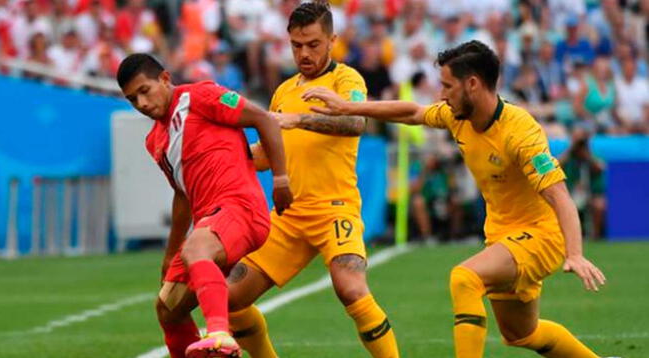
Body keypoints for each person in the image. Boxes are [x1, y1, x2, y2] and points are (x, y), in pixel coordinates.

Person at [300, 40, 609, 358]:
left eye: (447, 85)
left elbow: (559, 195)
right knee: (521, 333)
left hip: (543, 236)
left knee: (465, 279)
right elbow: (413, 112)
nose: (442, 94)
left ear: (472, 84)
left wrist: (576, 253)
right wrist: (349, 107)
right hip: (503, 234)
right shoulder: (456, 115)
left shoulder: (521, 133)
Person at [225, 2, 400, 358]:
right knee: (228, 300)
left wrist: (300, 120)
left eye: (313, 44)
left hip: (334, 209)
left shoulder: (346, 79)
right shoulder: (283, 91)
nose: (304, 53)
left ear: (332, 40)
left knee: (350, 288)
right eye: (296, 45)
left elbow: (356, 124)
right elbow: (269, 151)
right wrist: (226, 156)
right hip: (288, 216)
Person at [116, 53, 293, 358]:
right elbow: (183, 195)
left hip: (241, 209)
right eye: (133, 99)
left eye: (144, 91)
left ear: (165, 79)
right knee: (167, 309)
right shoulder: (154, 140)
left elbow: (263, 119)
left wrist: (280, 179)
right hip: (210, 224)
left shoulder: (200, 96)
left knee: (196, 249)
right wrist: (171, 251)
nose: (141, 104)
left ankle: (220, 336)